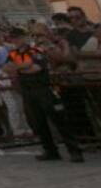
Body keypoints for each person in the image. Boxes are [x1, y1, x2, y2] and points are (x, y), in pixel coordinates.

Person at [7, 27, 83, 163]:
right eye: (13, 38)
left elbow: (36, 68)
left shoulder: (35, 50)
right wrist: (24, 66)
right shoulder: (13, 53)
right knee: (38, 123)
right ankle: (50, 150)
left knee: (59, 120)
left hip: (43, 89)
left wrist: (18, 68)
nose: (16, 40)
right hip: (27, 90)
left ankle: (74, 150)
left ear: (24, 37)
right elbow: (6, 68)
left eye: (18, 37)